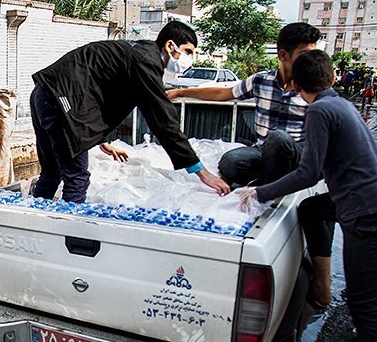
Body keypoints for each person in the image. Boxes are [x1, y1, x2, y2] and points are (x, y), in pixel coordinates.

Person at [237, 50, 377, 342]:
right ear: (331, 78)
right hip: (374, 201)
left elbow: (308, 173)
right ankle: (323, 284)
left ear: (295, 85)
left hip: (368, 213)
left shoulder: (319, 112)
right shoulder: (340, 104)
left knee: (364, 304)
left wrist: (258, 193)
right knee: (311, 210)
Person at [29, 20, 231, 204]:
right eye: (187, 51)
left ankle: (33, 221)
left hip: (46, 95)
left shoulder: (136, 52)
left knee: (52, 172)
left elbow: (94, 91)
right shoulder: (145, 61)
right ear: (170, 45)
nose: (189, 59)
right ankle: (67, 236)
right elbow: (163, 120)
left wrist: (102, 141)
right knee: (77, 178)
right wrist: (200, 171)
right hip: (61, 103)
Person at [167, 22, 322, 187]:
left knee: (278, 137)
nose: (309, 60)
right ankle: (272, 180)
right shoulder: (261, 81)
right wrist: (181, 92)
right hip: (263, 151)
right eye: (304, 54)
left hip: (296, 153)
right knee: (230, 162)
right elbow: (223, 93)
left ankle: (269, 189)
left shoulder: (312, 86)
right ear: (283, 55)